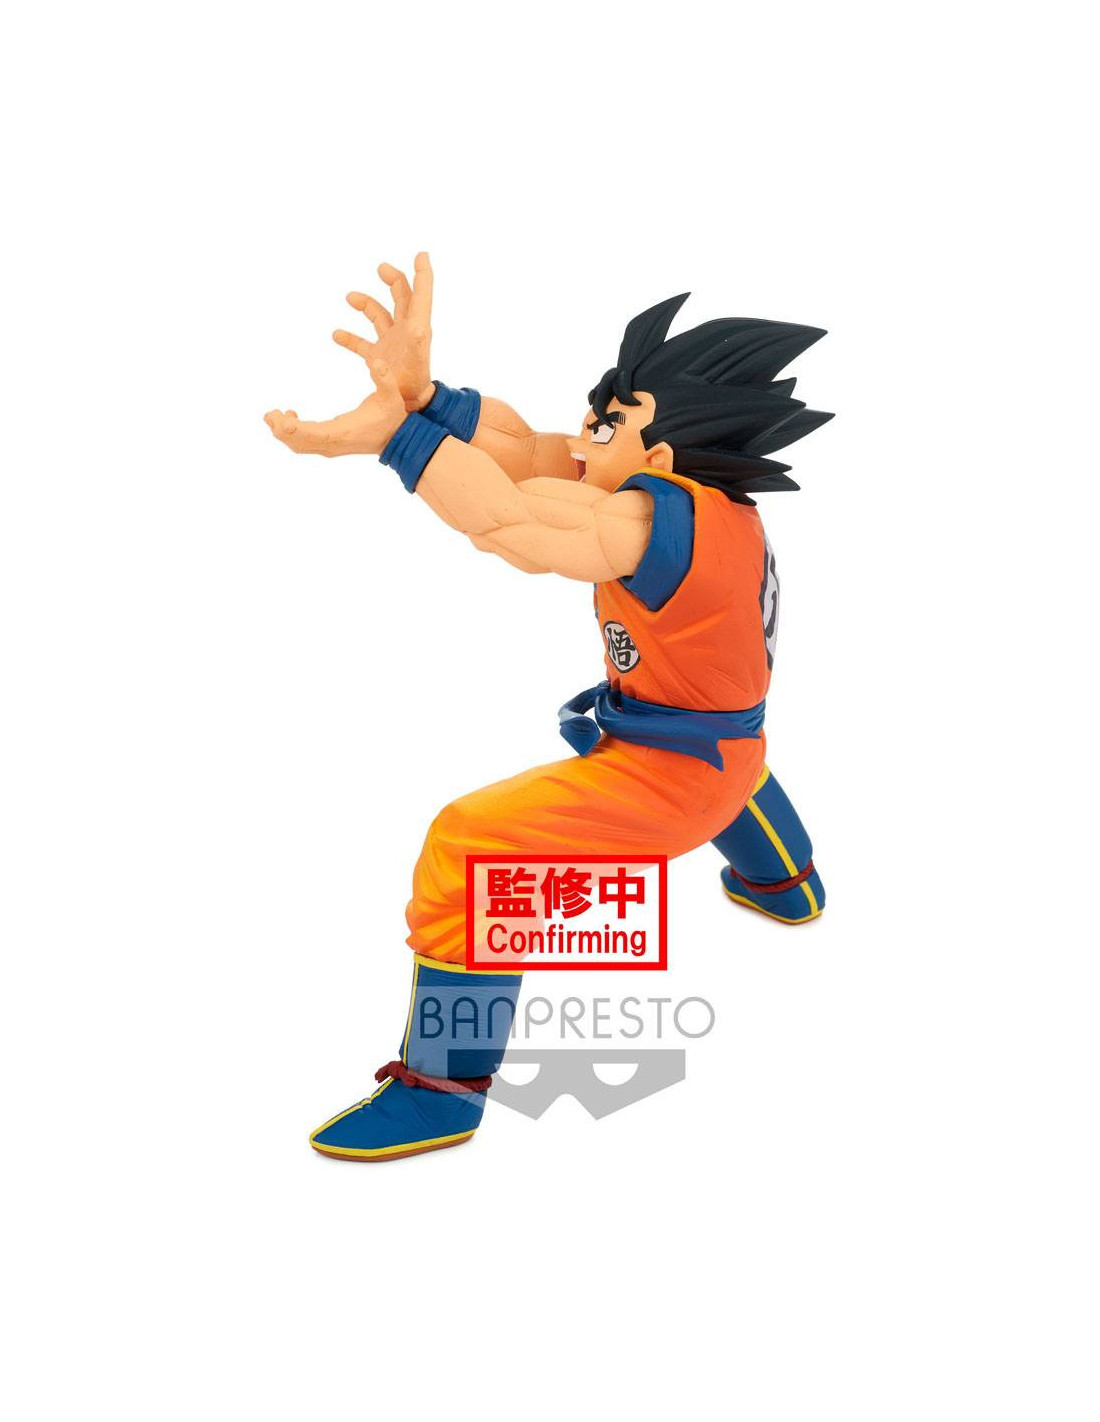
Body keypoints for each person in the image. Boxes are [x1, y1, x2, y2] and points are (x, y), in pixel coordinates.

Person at [266, 253, 832, 1161]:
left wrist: (399, 440)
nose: (581, 436)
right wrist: (427, 400)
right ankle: (784, 882)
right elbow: (531, 453)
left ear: (656, 459)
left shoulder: (644, 522)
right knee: (732, 763)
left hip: (679, 778)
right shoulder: (716, 508)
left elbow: (513, 521)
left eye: (605, 424)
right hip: (731, 754)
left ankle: (442, 1092)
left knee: (468, 844)